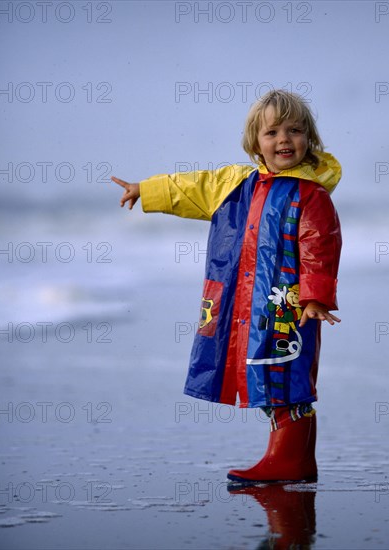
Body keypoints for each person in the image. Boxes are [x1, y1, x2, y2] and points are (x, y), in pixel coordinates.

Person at [111, 89, 342, 483]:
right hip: (245, 306)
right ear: (255, 143)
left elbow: (320, 244)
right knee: (264, 375)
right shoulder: (235, 184)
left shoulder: (311, 195)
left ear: (311, 139)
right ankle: (296, 460)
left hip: (285, 306)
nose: (284, 139)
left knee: (287, 375)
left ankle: (290, 458)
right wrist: (145, 191)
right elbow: (191, 187)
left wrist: (316, 297)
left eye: (295, 130)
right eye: (272, 133)